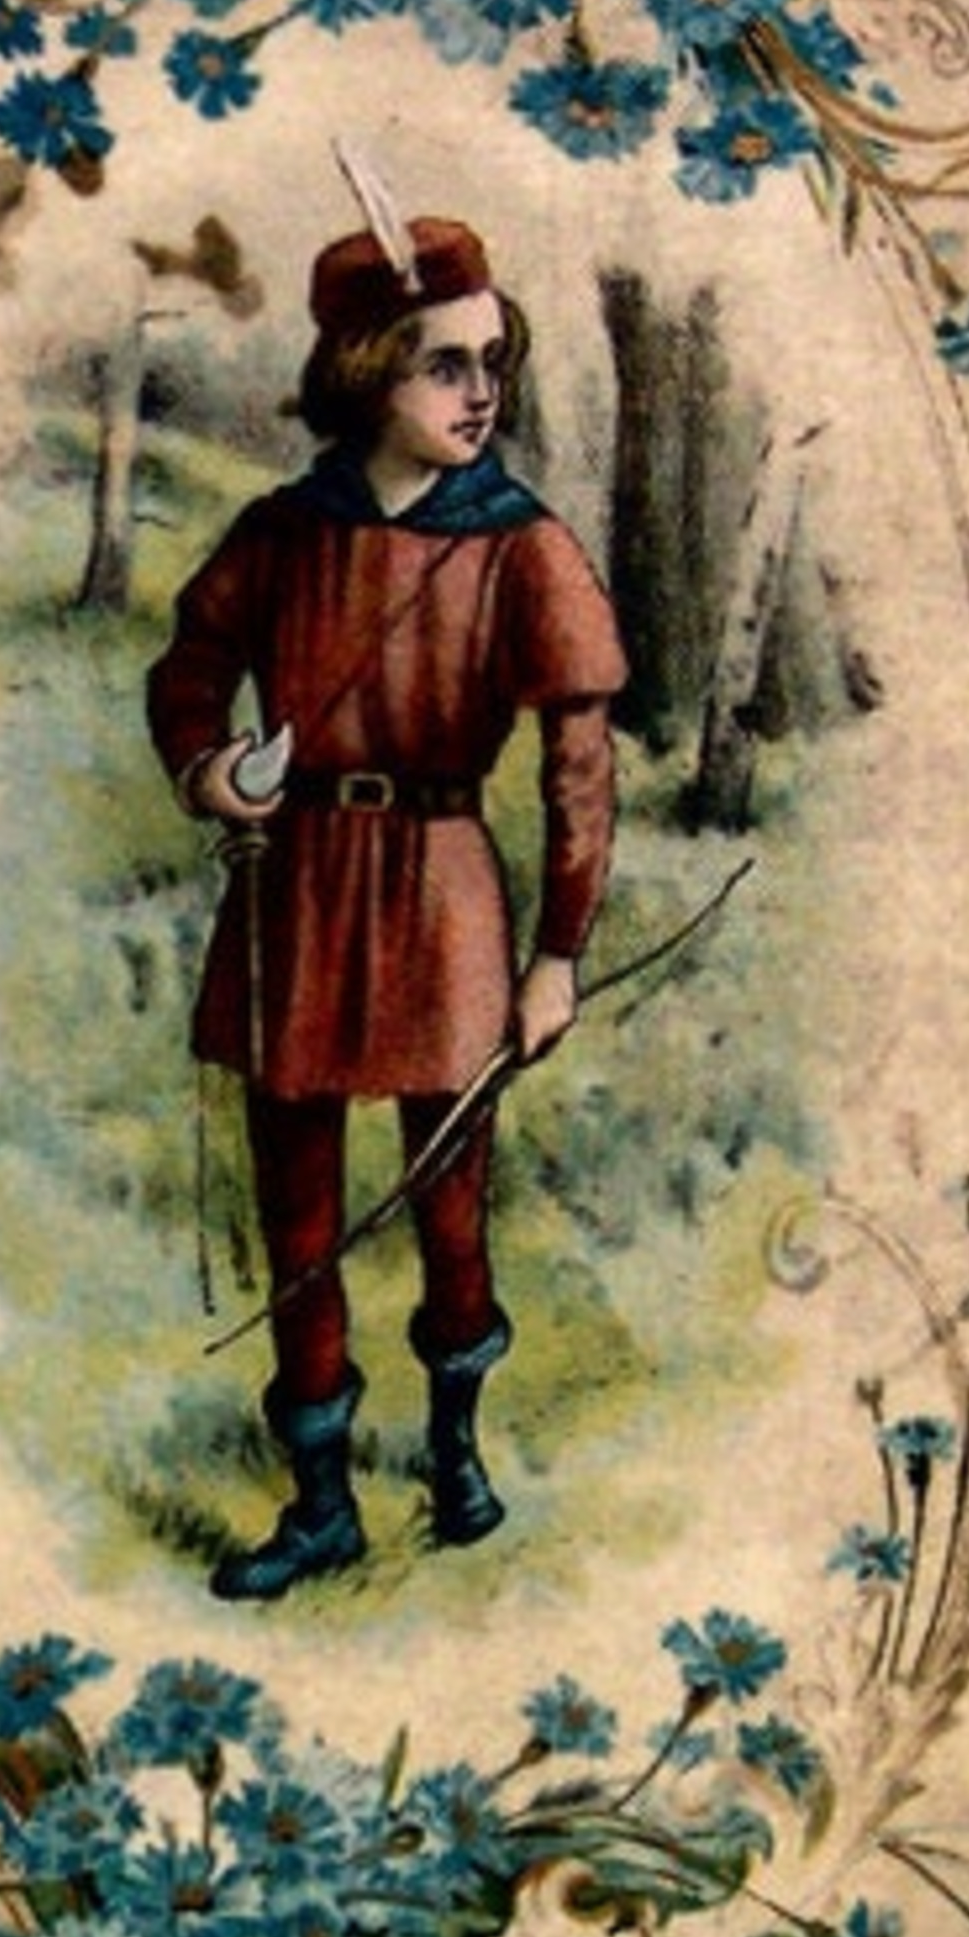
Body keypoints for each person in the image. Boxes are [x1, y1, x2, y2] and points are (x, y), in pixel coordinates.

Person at [146, 209, 625, 1600]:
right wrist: (212, 771)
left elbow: (580, 769)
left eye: (492, 363)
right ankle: (319, 1504)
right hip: (297, 886)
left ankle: (456, 1449)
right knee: (298, 1212)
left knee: (450, 1200)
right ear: (368, 374)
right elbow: (189, 668)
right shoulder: (285, 535)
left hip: (443, 892)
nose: (480, 394)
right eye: (443, 365)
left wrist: (558, 955)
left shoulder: (523, 548)